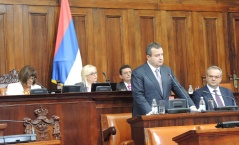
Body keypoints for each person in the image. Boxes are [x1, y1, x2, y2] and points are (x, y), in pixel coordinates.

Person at [131, 42, 197, 116]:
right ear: (148, 57)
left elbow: (179, 89)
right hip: (145, 115)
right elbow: (138, 95)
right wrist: (149, 112)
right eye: (157, 55)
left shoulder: (167, 71)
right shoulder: (138, 72)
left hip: (165, 114)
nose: (160, 58)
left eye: (162, 54)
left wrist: (192, 106)